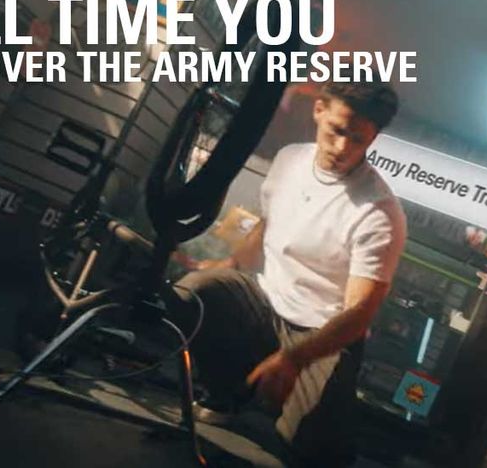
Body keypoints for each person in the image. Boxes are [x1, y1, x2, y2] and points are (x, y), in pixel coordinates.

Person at [167, 82, 407, 466]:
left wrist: (294, 358)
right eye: (337, 130)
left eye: (358, 139)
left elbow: (360, 313)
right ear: (319, 111)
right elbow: (269, 224)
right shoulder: (290, 159)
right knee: (194, 291)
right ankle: (228, 391)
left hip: (324, 332)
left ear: (373, 138)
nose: (343, 147)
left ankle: (316, 436)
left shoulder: (378, 211)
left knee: (308, 452)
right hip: (265, 303)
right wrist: (228, 265)